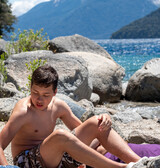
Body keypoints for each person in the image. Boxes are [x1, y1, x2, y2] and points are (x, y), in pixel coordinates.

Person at [0, 65, 140, 168]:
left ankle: (140, 163)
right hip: (27, 162)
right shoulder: (23, 112)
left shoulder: (59, 106)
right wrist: (6, 167)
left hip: (55, 157)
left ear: (55, 92)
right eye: (35, 92)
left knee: (96, 124)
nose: (39, 99)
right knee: (60, 136)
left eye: (45, 95)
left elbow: (80, 133)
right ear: (30, 88)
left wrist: (103, 119)